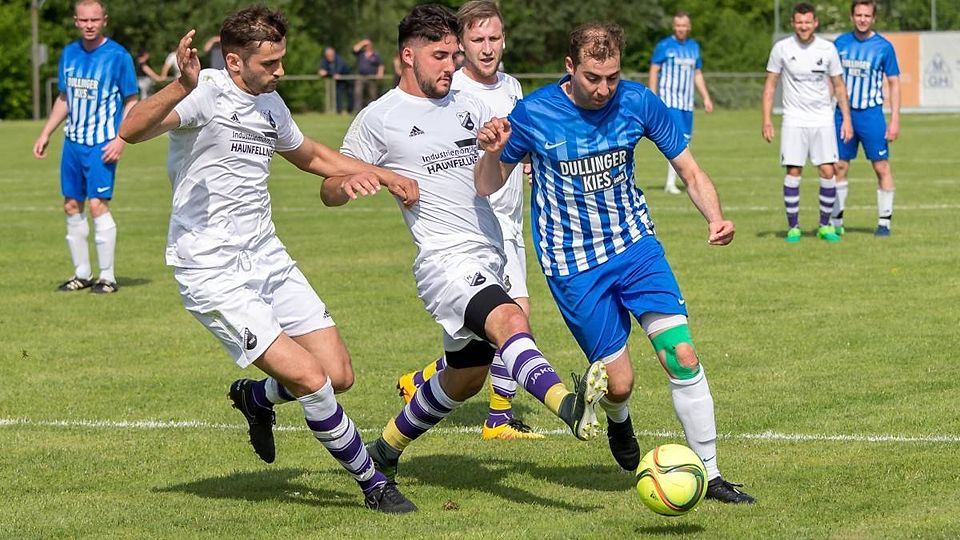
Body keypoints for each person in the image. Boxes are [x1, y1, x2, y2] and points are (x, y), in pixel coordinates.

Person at [118, 6, 420, 513]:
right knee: (312, 381)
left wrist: (382, 175)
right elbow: (131, 128)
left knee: (338, 373)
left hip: (267, 256)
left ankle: (256, 398)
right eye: (270, 63)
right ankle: (374, 485)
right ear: (234, 61)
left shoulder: (271, 102)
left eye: (282, 60)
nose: (280, 71)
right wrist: (180, 85)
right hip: (212, 270)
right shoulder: (206, 91)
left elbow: (311, 156)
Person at [327, 4, 609, 497]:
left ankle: (384, 449)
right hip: (444, 261)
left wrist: (496, 150)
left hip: (489, 253)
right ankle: (568, 405)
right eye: (440, 56)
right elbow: (329, 185)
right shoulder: (380, 118)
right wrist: (355, 182)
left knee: (466, 377)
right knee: (511, 320)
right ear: (408, 55)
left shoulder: (470, 106)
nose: (451, 65)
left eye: (454, 55)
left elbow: (486, 182)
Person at [475, 21, 755, 504]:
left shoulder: (638, 101)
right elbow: (486, 184)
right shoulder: (534, 113)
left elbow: (688, 169)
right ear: (570, 67)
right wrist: (493, 153)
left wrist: (716, 217)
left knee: (682, 354)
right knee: (619, 385)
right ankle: (618, 419)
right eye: (592, 78)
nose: (604, 89)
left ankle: (710, 476)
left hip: (635, 247)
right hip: (574, 266)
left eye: (612, 77)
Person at [394, 0, 541, 442]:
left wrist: (528, 160)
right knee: (514, 321)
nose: (487, 47)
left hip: (509, 222)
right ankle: (499, 419)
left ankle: (422, 379)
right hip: (471, 229)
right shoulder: (450, 89)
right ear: (461, 45)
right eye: (477, 39)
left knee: (491, 336)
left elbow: (515, 143)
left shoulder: (512, 87)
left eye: (494, 38)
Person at [32, 0, 138, 294]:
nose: (89, 25)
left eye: (94, 19)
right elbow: (64, 98)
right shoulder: (69, 53)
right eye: (84, 20)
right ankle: (81, 274)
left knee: (96, 205)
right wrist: (45, 133)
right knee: (71, 204)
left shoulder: (118, 56)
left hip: (102, 143)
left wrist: (120, 139)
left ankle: (108, 277)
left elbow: (131, 100)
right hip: (72, 143)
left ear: (104, 20)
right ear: (76, 21)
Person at [762, 2, 853, 243]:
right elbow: (770, 85)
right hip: (794, 119)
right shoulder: (782, 48)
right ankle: (793, 227)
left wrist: (846, 119)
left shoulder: (828, 49)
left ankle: (824, 225)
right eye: (799, 22)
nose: (804, 26)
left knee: (828, 170)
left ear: (815, 23)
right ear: (793, 23)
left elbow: (839, 86)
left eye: (808, 22)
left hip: (823, 118)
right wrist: (767, 119)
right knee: (793, 171)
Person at [830, 0, 900, 237]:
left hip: (871, 115)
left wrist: (895, 120)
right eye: (858, 15)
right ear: (852, 17)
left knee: (881, 166)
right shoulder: (840, 43)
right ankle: (836, 223)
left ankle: (884, 223)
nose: (862, 19)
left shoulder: (884, 47)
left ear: (873, 18)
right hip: (843, 114)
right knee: (839, 166)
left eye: (867, 15)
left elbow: (894, 82)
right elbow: (831, 80)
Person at [649, 11, 714, 195]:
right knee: (678, 142)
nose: (680, 28)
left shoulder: (694, 47)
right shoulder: (664, 46)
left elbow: (697, 73)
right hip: (669, 101)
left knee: (684, 141)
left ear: (689, 27)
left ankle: (674, 181)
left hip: (687, 103)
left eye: (684, 25)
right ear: (673, 26)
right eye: (678, 25)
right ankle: (671, 183)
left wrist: (706, 97)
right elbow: (654, 69)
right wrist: (653, 96)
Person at [318, 46, 353, 114]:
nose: (329, 57)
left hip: (348, 80)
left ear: (333, 54)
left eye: (330, 55)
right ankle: (339, 111)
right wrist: (323, 71)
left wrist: (327, 73)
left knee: (350, 95)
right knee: (338, 95)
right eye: (327, 55)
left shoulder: (339, 60)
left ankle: (350, 111)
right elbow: (322, 70)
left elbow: (337, 73)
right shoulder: (325, 60)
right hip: (339, 82)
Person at [352, 37, 384, 109]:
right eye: (366, 45)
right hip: (361, 76)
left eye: (368, 45)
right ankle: (358, 109)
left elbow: (381, 65)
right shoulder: (361, 53)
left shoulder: (375, 55)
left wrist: (380, 73)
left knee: (372, 94)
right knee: (358, 93)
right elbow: (355, 49)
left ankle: (372, 108)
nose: (367, 46)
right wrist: (363, 42)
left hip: (371, 77)